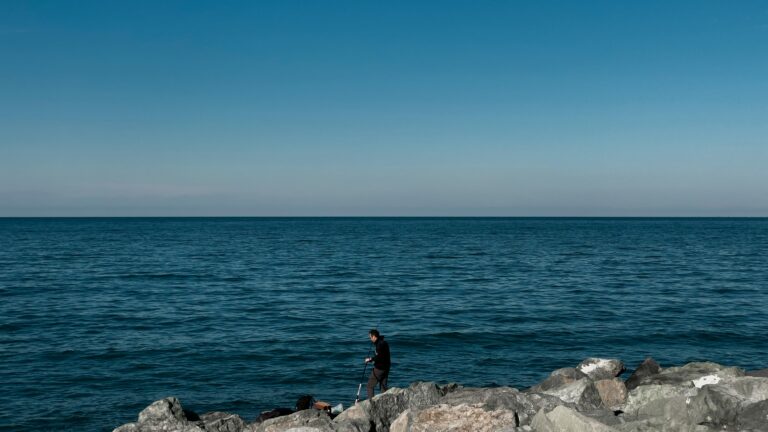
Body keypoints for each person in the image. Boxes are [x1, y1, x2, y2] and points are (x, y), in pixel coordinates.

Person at [364, 329, 390, 399]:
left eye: (370, 337)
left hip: (380, 368)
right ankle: (385, 401)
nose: (370, 339)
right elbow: (383, 356)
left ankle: (371, 403)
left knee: (369, 386)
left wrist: (370, 359)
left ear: (374, 337)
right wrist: (374, 360)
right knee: (383, 386)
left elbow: (379, 357)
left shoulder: (379, 345)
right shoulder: (383, 342)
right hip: (386, 367)